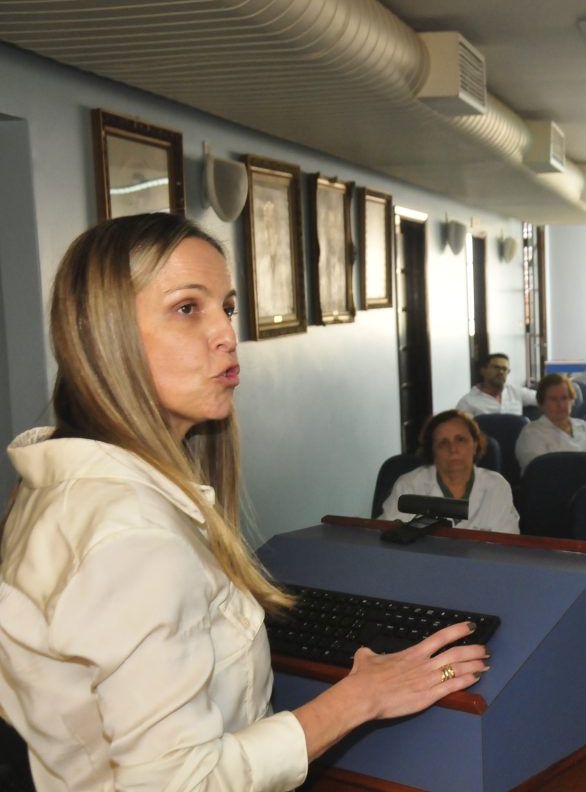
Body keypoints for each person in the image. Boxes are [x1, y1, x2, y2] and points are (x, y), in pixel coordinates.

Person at [0, 214, 488, 790]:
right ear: (105, 334)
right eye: (188, 308)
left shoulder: (62, 484)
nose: (226, 334)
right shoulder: (131, 534)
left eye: (227, 308)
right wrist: (360, 698)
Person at [381, 410, 519, 534]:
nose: (453, 449)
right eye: (443, 443)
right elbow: (388, 537)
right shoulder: (409, 485)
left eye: (460, 440)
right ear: (432, 452)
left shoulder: (497, 486)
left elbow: (506, 548)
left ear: (475, 445)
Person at [514, 373, 586, 472]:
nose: (560, 404)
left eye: (564, 398)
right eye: (553, 399)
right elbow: (539, 474)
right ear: (541, 404)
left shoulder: (585, 427)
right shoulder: (531, 434)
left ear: (572, 401)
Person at [456, 352, 538, 416]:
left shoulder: (516, 392)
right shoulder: (467, 402)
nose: (501, 372)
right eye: (496, 368)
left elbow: (544, 398)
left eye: (504, 369)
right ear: (483, 370)